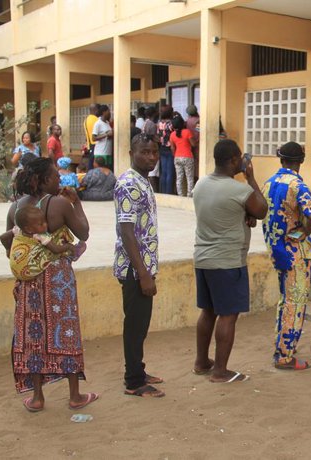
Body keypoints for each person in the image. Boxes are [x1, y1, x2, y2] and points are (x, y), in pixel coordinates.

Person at [0, 157, 97, 412]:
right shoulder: (61, 204)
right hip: (57, 279)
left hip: (29, 281)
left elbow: (12, 247)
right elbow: (83, 233)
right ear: (42, 180)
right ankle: (75, 395)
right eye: (55, 176)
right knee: (65, 330)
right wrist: (76, 203)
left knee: (33, 335)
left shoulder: (16, 208)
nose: (59, 180)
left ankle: (38, 398)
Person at [193, 139, 268, 383]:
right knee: (228, 315)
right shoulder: (239, 190)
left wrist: (245, 215)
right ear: (234, 160)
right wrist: (251, 178)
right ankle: (220, 371)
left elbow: (233, 211)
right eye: (241, 158)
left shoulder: (201, 184)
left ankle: (202, 362)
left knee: (208, 311)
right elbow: (262, 209)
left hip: (203, 259)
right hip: (228, 261)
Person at [114, 134, 164, 398]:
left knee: (141, 324)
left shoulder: (143, 181)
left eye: (154, 152)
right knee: (135, 325)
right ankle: (133, 381)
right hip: (135, 269)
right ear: (131, 151)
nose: (151, 157)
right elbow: (127, 231)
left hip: (144, 267)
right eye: (145, 152)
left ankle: (138, 370)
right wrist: (143, 273)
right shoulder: (129, 184)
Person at [262, 142, 311, 371]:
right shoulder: (298, 185)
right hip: (296, 252)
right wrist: (302, 233)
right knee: (295, 303)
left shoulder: (268, 183)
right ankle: (285, 355)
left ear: (280, 158)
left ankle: (281, 347)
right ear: (302, 159)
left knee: (285, 301)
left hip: (276, 251)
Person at [2, 205, 86, 281]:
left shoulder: (17, 230)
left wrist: (8, 250)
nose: (46, 224)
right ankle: (72, 254)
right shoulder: (40, 236)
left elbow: (2, 237)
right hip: (29, 271)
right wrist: (69, 246)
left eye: (45, 221)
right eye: (41, 224)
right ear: (28, 229)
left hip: (15, 270)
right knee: (60, 239)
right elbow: (56, 250)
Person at [170, 116, 195, 197]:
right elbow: (193, 144)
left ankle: (180, 195)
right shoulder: (187, 132)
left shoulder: (172, 135)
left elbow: (172, 148)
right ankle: (189, 196)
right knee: (189, 178)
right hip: (188, 157)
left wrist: (175, 155)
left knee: (179, 178)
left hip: (177, 157)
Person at [157, 105, 176, 194]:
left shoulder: (159, 123)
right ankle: (168, 193)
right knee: (170, 172)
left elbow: (158, 135)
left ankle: (163, 191)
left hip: (162, 148)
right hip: (170, 148)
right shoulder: (171, 124)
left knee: (164, 172)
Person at [142, 106, 160, 192]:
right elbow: (153, 138)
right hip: (151, 149)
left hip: (145, 148)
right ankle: (154, 191)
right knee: (153, 172)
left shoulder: (145, 122)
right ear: (154, 114)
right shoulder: (152, 125)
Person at [92, 105, 114, 171]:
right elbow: (93, 138)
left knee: (106, 171)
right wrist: (106, 134)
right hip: (100, 153)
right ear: (104, 112)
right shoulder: (98, 123)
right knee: (100, 171)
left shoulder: (107, 123)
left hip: (108, 152)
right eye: (108, 111)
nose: (110, 113)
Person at [186, 105, 200, 182]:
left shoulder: (187, 121)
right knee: (197, 163)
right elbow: (198, 132)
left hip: (189, 144)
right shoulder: (198, 120)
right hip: (197, 144)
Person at [84, 103, 99, 170]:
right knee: (95, 164)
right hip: (95, 144)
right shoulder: (96, 119)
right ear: (96, 110)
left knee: (91, 163)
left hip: (90, 144)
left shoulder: (86, 119)